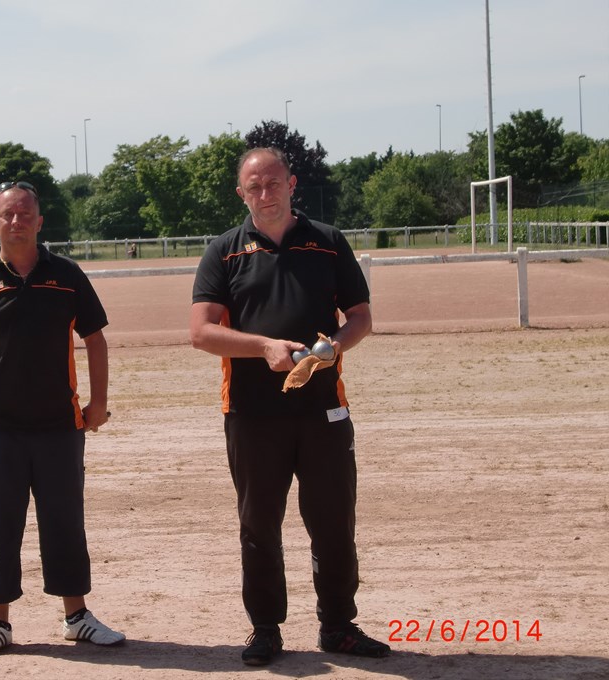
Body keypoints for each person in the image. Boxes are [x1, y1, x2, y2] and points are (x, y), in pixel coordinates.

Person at [189, 147, 389, 665]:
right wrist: (263, 347)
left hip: (324, 410)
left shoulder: (327, 242)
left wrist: (335, 347)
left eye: (273, 183)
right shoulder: (224, 252)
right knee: (258, 526)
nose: (264, 194)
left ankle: (339, 626)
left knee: (333, 521)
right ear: (241, 193)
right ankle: (265, 629)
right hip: (252, 415)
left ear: (292, 183)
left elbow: (361, 316)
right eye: (253, 186)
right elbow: (202, 331)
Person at [0, 180, 125, 660]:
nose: (17, 221)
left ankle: (77, 616)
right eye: (8, 214)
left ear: (40, 222)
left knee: (64, 521)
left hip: (60, 427)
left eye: (26, 213)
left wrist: (99, 402)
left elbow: (96, 339)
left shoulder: (66, 275)